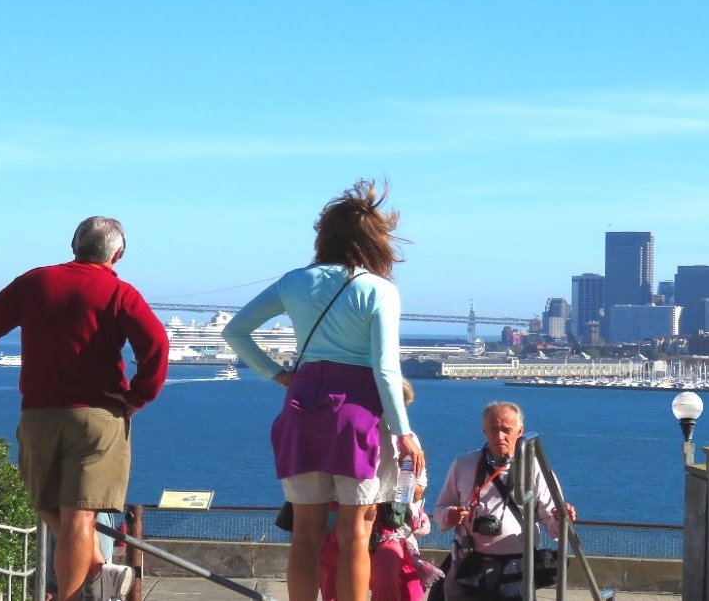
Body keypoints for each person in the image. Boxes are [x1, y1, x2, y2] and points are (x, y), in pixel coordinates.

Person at [0, 216, 168, 601]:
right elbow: (157, 347)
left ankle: (95, 572)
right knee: (79, 516)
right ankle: (93, 573)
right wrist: (137, 397)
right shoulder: (119, 292)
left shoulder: (35, 282)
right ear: (119, 253)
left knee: (50, 508)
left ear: (73, 244)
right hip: (97, 417)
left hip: (40, 414)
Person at [223, 180, 427, 601]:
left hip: (301, 408)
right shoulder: (379, 289)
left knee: (305, 534)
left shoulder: (294, 282)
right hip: (358, 417)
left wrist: (275, 373)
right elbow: (386, 369)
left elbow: (235, 330)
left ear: (324, 236)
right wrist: (404, 432)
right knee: (356, 534)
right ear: (375, 240)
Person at [431, 402, 575, 601]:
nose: (500, 436)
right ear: (484, 430)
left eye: (507, 430)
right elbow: (439, 511)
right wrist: (449, 515)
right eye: (494, 429)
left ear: (520, 430)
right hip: (468, 563)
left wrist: (560, 516)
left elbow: (553, 527)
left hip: (515, 568)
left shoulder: (535, 469)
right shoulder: (464, 464)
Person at [317, 380, 441, 601]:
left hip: (385, 526)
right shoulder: (351, 432)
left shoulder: (408, 440)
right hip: (346, 520)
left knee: (386, 576)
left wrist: (406, 472)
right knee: (335, 578)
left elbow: (418, 491)